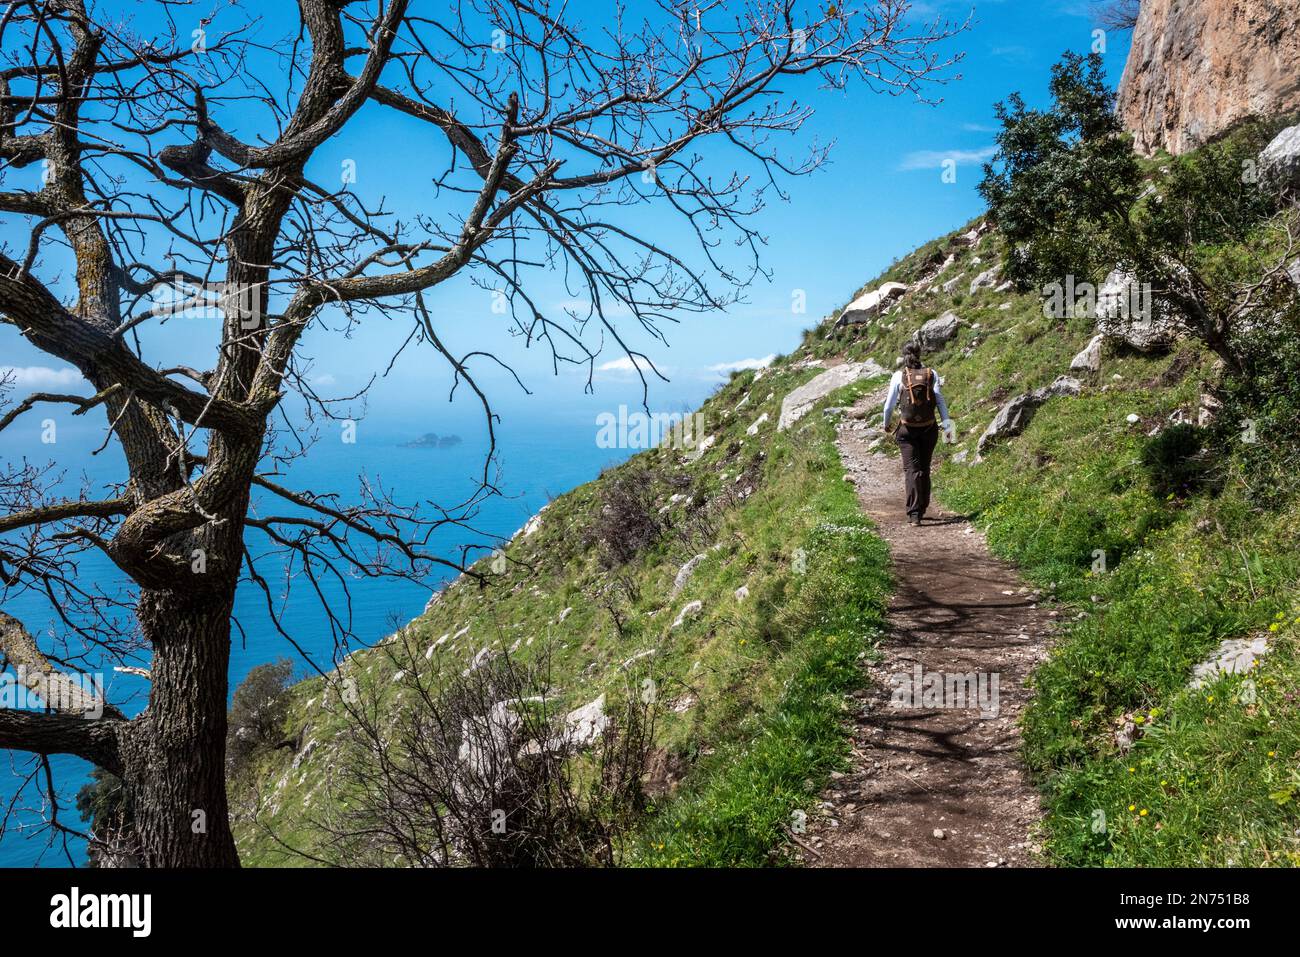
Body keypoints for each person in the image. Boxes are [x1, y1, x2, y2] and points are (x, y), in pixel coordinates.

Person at [882, 341, 953, 526]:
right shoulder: (931, 373)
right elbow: (940, 401)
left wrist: (886, 424)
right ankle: (922, 506)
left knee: (912, 469)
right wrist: (948, 427)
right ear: (919, 354)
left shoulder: (898, 376)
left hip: (907, 432)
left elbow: (888, 406)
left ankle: (914, 514)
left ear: (903, 356)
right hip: (929, 429)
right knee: (925, 467)